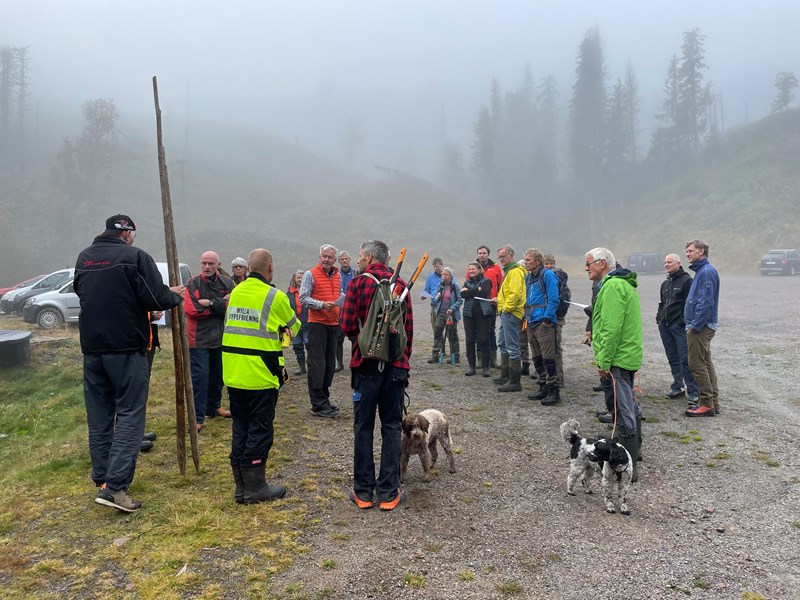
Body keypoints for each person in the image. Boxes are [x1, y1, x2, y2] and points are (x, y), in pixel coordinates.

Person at [74, 214, 183, 512]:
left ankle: (102, 479)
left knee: (99, 416)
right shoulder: (134, 256)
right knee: (130, 413)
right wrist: (173, 296)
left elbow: (84, 293)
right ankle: (116, 487)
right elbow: (155, 298)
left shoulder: (85, 257)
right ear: (127, 234)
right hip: (127, 348)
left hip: (92, 349)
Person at [222, 249, 301, 503]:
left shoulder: (236, 292)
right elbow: (295, 326)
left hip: (234, 372)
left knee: (240, 427)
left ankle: (240, 486)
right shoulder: (274, 295)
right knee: (260, 429)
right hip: (260, 374)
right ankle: (255, 487)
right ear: (270, 268)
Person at [341, 240, 413, 511]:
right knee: (392, 426)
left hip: (365, 367)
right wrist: (401, 362)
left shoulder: (358, 284)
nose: (359, 260)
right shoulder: (401, 286)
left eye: (360, 256)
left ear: (370, 257)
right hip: (395, 368)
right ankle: (388, 491)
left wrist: (364, 343)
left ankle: (363, 492)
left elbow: (347, 324)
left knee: (363, 426)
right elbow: (408, 332)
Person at [585, 247, 642, 481]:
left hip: (618, 357)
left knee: (624, 409)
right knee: (628, 405)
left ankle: (628, 466)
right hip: (627, 354)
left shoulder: (612, 286)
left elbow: (610, 329)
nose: (586, 268)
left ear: (601, 263)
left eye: (588, 263)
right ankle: (631, 451)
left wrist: (603, 361)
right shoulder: (621, 284)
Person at [184, 251, 235, 430]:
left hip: (220, 338)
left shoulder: (228, 283)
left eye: (211, 264)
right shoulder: (192, 283)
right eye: (204, 263)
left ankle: (214, 406)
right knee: (200, 378)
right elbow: (192, 310)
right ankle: (197, 417)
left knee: (218, 375)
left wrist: (210, 303)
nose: (207, 267)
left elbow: (233, 306)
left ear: (218, 264)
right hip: (198, 340)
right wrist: (220, 304)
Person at [300, 244, 342, 418]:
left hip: (333, 323)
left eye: (329, 257)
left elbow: (338, 293)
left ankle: (324, 400)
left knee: (329, 364)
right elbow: (303, 298)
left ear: (334, 259)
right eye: (323, 256)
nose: (326, 259)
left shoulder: (338, 275)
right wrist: (322, 305)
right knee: (317, 363)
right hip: (317, 323)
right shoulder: (310, 274)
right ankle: (317, 405)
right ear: (319, 257)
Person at [684, 240, 721, 417]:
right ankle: (712, 401)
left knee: (697, 364)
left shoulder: (706, 272)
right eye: (687, 251)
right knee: (706, 363)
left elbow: (706, 302)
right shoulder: (703, 271)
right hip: (702, 326)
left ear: (701, 251)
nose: (688, 254)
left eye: (691, 251)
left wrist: (695, 326)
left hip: (701, 327)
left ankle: (707, 404)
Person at [656, 254, 699, 404]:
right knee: (672, 357)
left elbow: (691, 303)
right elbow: (662, 303)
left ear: (678, 264)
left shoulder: (687, 281)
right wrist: (659, 318)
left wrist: (682, 322)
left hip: (678, 326)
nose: (666, 264)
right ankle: (678, 386)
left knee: (685, 358)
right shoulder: (665, 283)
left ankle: (693, 391)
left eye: (670, 262)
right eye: (665, 262)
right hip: (665, 325)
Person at [523, 249, 562, 406]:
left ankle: (554, 391)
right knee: (537, 357)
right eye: (525, 259)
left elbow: (554, 297)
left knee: (549, 358)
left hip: (543, 322)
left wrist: (547, 318)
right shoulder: (528, 278)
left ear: (537, 261)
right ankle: (543, 386)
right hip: (531, 320)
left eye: (528, 260)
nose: (525, 262)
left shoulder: (547, 275)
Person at [491, 245, 527, 392]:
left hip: (511, 313)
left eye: (503, 257)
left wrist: (506, 308)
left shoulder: (516, 272)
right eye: (499, 258)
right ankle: (505, 375)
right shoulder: (509, 272)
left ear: (511, 255)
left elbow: (514, 293)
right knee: (502, 343)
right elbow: (506, 293)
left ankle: (515, 381)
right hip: (505, 312)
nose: (501, 260)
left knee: (512, 346)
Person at [460, 262, 493, 376]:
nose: (471, 271)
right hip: (468, 314)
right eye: (470, 269)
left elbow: (484, 293)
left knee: (484, 339)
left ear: (479, 269)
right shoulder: (467, 281)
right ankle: (471, 367)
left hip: (483, 314)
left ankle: (485, 368)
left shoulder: (486, 281)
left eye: (474, 269)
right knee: (469, 340)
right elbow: (462, 295)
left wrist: (469, 291)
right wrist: (476, 290)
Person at [475, 245, 503, 368]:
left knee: (491, 331)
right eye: (480, 253)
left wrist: (499, 300)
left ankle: (493, 360)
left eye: (484, 253)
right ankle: (480, 359)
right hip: (477, 304)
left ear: (488, 254)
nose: (482, 255)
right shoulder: (472, 268)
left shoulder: (496, 268)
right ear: (477, 255)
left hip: (491, 304)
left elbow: (501, 286)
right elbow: (467, 285)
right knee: (478, 331)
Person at [543, 253, 567, 387]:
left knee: (556, 349)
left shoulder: (557, 277)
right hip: (551, 317)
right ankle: (550, 376)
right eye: (546, 264)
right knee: (549, 349)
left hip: (556, 318)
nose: (549, 266)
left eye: (551, 263)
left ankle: (558, 379)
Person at [430, 267, 462, 364]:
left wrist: (452, 308)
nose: (443, 276)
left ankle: (455, 356)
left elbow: (460, 300)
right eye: (442, 274)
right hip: (440, 314)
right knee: (437, 334)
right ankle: (435, 356)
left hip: (450, 315)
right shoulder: (441, 285)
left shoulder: (455, 285)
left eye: (446, 274)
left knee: (452, 336)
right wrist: (437, 297)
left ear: (450, 275)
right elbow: (435, 300)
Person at [335, 250, 358, 372]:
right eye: (342, 259)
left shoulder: (356, 273)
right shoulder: (335, 275)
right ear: (339, 261)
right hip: (339, 310)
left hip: (353, 310)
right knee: (338, 338)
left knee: (354, 336)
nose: (344, 261)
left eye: (346, 259)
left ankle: (355, 361)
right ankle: (339, 363)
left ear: (349, 260)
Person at [287, 269, 308, 376]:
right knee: (297, 346)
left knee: (309, 345)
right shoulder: (289, 293)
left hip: (307, 323)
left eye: (302, 277)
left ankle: (312, 365)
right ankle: (301, 367)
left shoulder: (309, 291)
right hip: (294, 324)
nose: (300, 279)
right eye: (298, 277)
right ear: (294, 279)